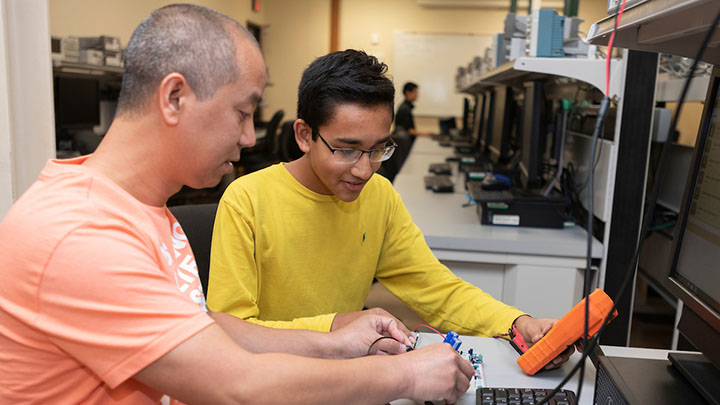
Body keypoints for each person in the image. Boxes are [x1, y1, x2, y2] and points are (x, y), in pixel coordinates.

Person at [0, 6, 474, 404]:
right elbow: (238, 385)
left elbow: (206, 328)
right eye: (242, 113)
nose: (249, 138)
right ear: (174, 98)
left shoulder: (137, 211)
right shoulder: (81, 234)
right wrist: (406, 376)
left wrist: (336, 342)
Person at [207, 49, 575, 370]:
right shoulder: (247, 201)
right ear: (304, 135)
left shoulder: (379, 196)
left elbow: (437, 289)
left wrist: (517, 323)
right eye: (347, 149)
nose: (364, 170)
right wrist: (337, 326)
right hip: (271, 380)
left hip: (346, 376)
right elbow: (230, 328)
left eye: (378, 149)